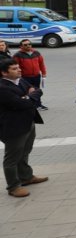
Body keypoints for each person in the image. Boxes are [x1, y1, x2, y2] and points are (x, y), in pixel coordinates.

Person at [0, 59, 46, 197]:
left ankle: (26, 177)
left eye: (18, 67)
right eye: (14, 69)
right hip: (13, 127)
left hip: (28, 122)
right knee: (12, 157)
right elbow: (21, 104)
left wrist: (29, 96)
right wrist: (29, 97)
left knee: (25, 151)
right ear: (4, 73)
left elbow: (37, 91)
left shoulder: (21, 80)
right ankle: (13, 187)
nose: (19, 70)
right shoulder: (2, 88)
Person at [13, 40, 47, 110]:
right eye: (25, 45)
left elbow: (41, 64)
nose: (28, 46)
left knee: (37, 90)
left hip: (36, 76)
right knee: (28, 91)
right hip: (25, 77)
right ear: (21, 46)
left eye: (29, 44)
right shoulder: (18, 55)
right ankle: (30, 105)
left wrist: (44, 73)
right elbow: (15, 66)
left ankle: (39, 105)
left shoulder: (36, 53)